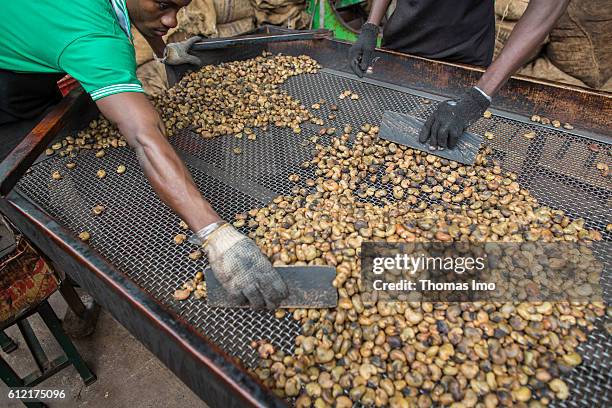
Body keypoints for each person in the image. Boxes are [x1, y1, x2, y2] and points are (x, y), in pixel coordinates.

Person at [0, 0, 288, 309]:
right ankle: (72, 282)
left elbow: (135, 17)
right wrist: (216, 235)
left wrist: (165, 54)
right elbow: (143, 137)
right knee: (29, 179)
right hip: (8, 89)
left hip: (29, 41)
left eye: (180, 7)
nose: (172, 20)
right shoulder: (94, 39)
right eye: (164, 5)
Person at [348, 0, 569, 150]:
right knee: (381, 143)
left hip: (464, 62)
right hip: (400, 47)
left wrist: (479, 96)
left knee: (444, 155)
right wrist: (371, 26)